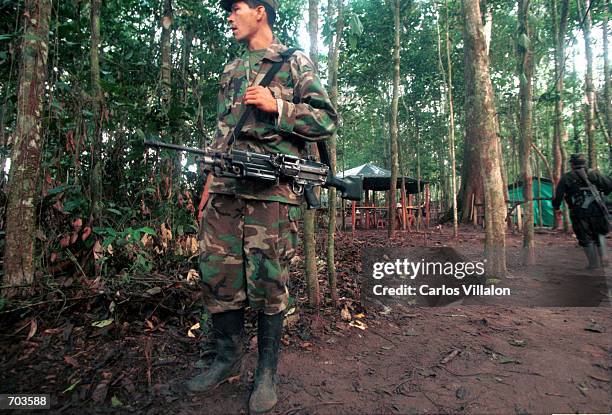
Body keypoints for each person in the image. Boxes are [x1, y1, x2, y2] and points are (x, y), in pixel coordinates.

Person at [184, 0, 337, 413]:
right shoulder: (231, 70)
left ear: (260, 11)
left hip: (271, 196)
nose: (229, 18)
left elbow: (326, 121)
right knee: (219, 277)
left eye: (235, 9)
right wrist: (209, 181)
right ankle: (226, 359)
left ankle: (266, 372)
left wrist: (279, 106)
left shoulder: (293, 61)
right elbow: (223, 132)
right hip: (225, 191)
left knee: (269, 284)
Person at [552, 154, 612, 269]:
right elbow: (609, 185)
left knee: (585, 238)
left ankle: (593, 264)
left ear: (572, 164)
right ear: (584, 163)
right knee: (599, 233)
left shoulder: (567, 177)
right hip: (598, 211)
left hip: (579, 213)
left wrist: (556, 207)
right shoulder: (595, 174)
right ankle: (604, 257)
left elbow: (558, 195)